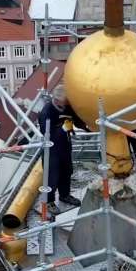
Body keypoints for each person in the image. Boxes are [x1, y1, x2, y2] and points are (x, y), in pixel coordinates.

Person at [38, 85, 86, 215]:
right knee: (51, 175)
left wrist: (89, 125)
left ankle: (64, 195)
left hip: (65, 144)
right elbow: (46, 133)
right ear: (57, 100)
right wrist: (63, 129)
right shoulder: (47, 112)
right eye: (65, 102)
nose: (67, 104)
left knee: (66, 171)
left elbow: (77, 121)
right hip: (51, 149)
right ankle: (49, 201)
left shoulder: (67, 107)